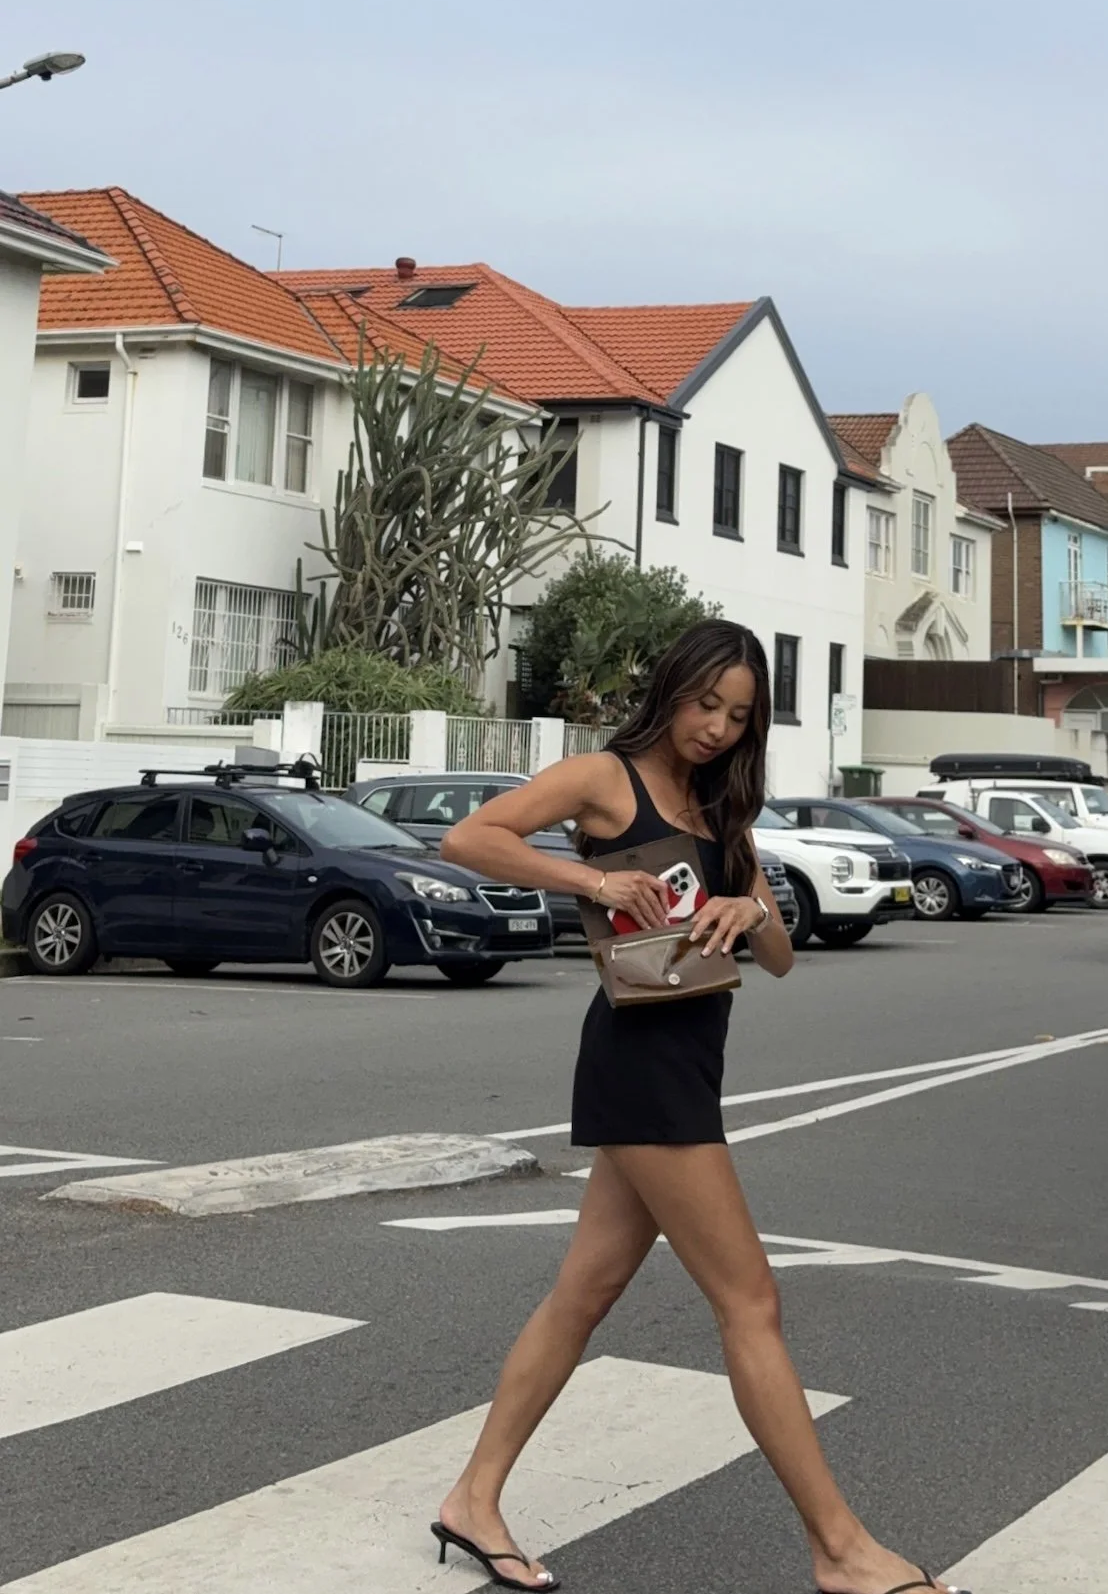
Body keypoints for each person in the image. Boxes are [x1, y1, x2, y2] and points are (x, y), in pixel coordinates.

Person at [432, 620, 963, 1594]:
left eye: (737, 714)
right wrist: (594, 875)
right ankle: (842, 1549)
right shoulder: (605, 778)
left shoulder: (723, 809)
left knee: (583, 1293)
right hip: (640, 1063)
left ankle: (473, 1496)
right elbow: (472, 835)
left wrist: (748, 908)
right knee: (749, 1299)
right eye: (704, 702)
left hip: (692, 1053)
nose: (716, 726)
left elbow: (778, 954)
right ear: (670, 685)